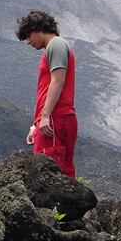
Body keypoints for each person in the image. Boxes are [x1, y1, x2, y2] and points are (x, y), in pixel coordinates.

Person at [16, 10, 77, 177]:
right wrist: (35, 125)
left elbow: (57, 81)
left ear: (38, 29)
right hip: (54, 118)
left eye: (28, 36)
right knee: (61, 171)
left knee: (48, 172)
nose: (28, 42)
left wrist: (45, 117)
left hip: (56, 118)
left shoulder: (56, 44)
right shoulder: (55, 47)